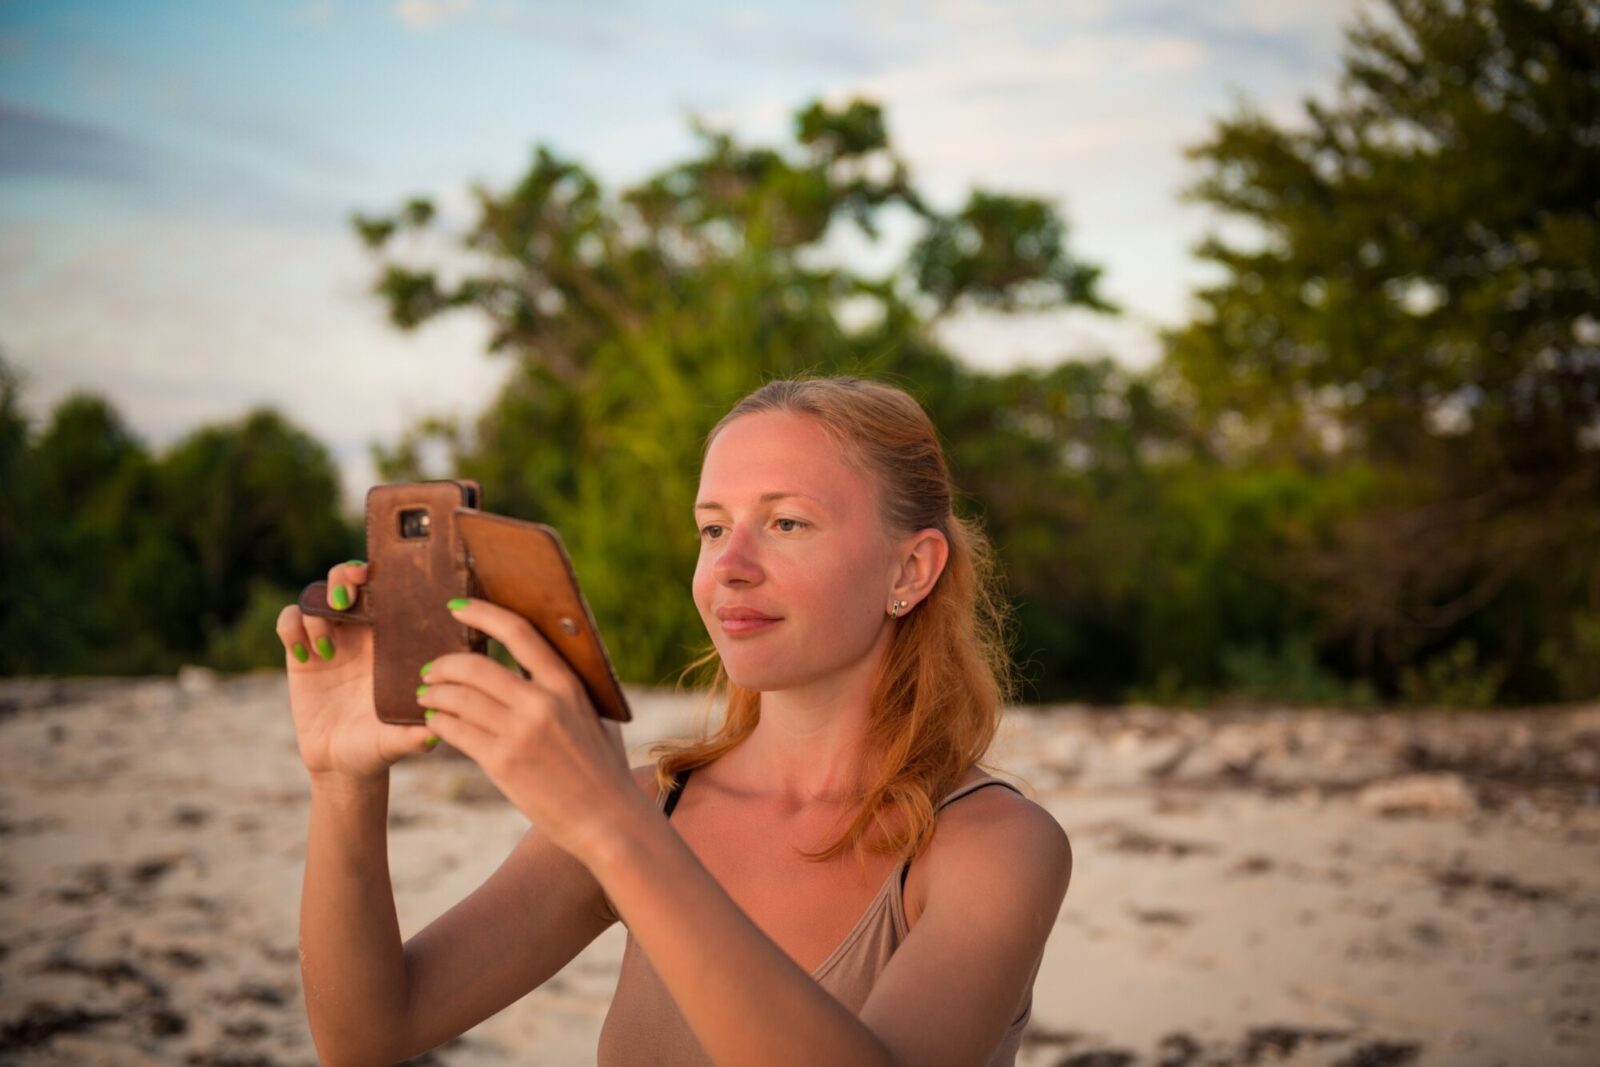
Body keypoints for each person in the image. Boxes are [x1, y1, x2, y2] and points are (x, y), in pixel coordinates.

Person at [279, 375, 1073, 1067]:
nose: (729, 566)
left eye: (787, 522)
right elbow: (368, 1033)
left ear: (911, 568)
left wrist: (614, 831)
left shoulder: (994, 845)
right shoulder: (647, 804)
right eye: (713, 527)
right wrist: (342, 781)